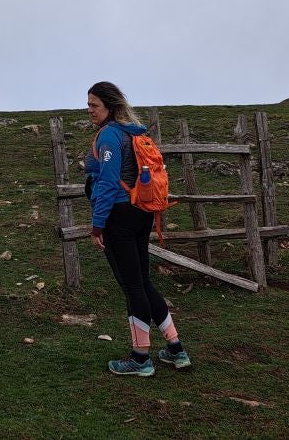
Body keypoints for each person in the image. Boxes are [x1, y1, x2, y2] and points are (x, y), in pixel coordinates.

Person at [85, 81, 191, 376]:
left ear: (109, 105)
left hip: (119, 216)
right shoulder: (134, 132)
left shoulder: (109, 137)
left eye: (94, 105)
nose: (89, 110)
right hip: (141, 213)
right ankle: (175, 350)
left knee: (132, 286)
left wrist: (97, 225)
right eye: (89, 104)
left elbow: (107, 182)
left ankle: (140, 358)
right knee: (142, 282)